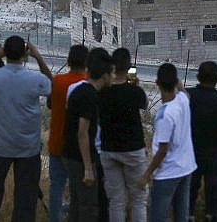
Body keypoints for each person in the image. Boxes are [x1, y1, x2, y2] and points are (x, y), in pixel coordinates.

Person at [0, 36, 53, 222]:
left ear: (5, 53)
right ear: (25, 55)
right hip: (27, 148)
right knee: (26, 197)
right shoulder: (34, 79)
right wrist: (38, 57)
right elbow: (51, 84)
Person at [99, 48, 148, 222]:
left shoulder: (102, 91)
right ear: (128, 68)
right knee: (138, 200)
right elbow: (145, 105)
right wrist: (134, 85)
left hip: (109, 149)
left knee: (115, 201)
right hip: (133, 149)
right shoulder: (135, 92)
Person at [143, 63, 197, 222]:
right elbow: (186, 93)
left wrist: (147, 174)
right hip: (186, 167)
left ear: (157, 83)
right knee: (182, 215)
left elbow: (163, 150)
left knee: (158, 216)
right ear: (175, 82)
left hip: (168, 172)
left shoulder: (165, 114)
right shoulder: (182, 100)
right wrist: (178, 83)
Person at [64, 48, 112, 222]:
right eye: (111, 73)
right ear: (105, 75)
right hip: (80, 158)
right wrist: (88, 168)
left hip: (70, 155)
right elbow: (82, 133)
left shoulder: (79, 90)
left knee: (77, 205)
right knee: (88, 207)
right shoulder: (89, 96)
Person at [188, 61, 217, 222]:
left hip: (189, 155)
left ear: (198, 77)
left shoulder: (187, 96)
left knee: (188, 196)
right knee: (214, 198)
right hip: (214, 156)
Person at [47, 43, 90, 222]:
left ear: (68, 60)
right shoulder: (88, 83)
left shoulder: (57, 81)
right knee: (78, 190)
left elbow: (49, 104)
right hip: (78, 148)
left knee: (56, 187)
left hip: (57, 142)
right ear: (87, 62)